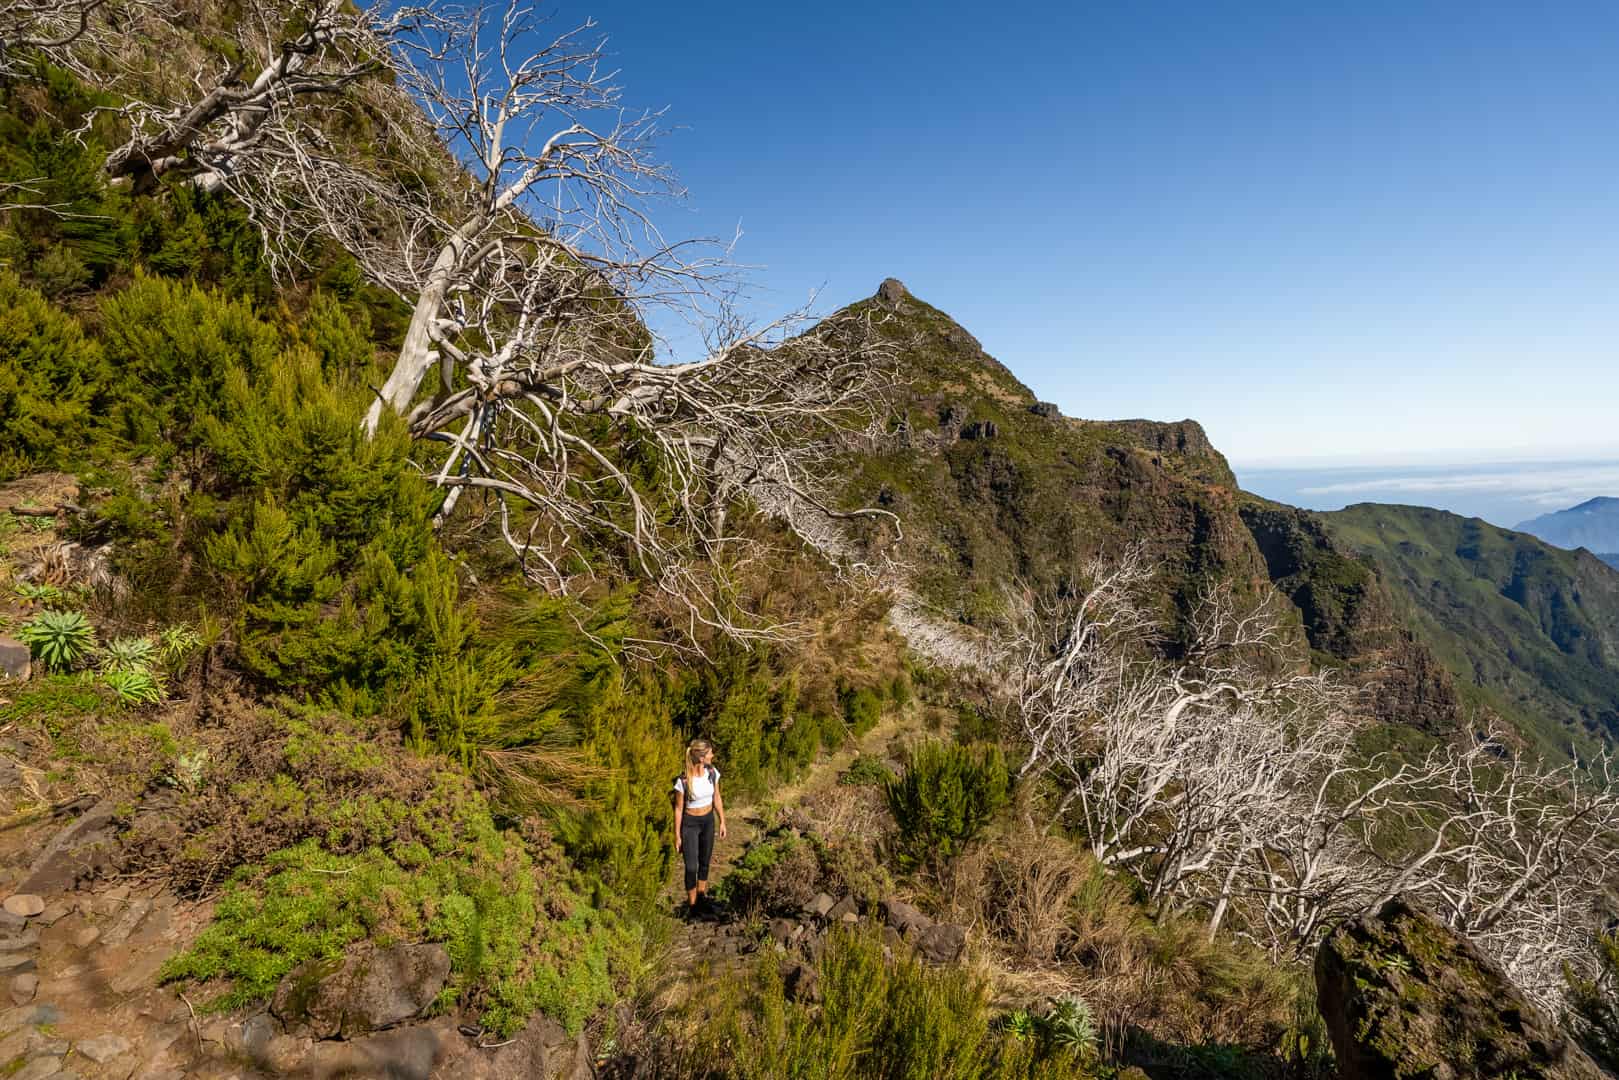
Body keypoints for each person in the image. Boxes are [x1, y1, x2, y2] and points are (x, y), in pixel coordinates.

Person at [672, 738, 726, 916]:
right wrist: (677, 835)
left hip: (708, 821)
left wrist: (722, 821)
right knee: (691, 867)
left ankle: (701, 898)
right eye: (710, 753)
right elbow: (679, 809)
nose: (713, 755)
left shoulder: (712, 772)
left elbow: (716, 797)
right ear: (701, 757)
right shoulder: (683, 781)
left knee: (704, 862)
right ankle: (693, 906)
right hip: (690, 825)